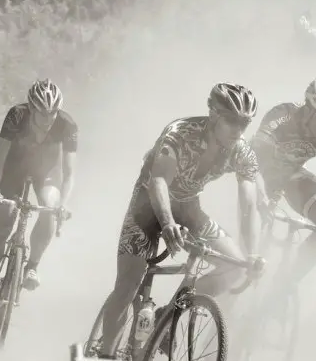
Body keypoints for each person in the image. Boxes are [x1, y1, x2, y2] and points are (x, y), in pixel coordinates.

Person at [97, 82, 263, 359]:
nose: (239, 129)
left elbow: (249, 203)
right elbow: (159, 180)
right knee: (128, 285)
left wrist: (254, 253)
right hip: (148, 205)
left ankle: (167, 316)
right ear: (213, 115)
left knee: (235, 267)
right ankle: (106, 353)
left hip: (188, 207)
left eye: (245, 122)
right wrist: (166, 222)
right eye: (232, 120)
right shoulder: (180, 133)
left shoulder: (242, 151)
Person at [0, 78, 77, 317]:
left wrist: (63, 204)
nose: (48, 119)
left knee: (50, 208)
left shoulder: (67, 124)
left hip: (48, 174)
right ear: (31, 109)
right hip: (14, 170)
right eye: (42, 114)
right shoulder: (16, 116)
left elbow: (70, 173)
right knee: (5, 222)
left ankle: (32, 267)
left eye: (53, 113)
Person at [251, 76, 316, 292]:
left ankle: (285, 284)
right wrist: (262, 198)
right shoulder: (281, 116)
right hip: (256, 174)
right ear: (309, 110)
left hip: (291, 176)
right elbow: (252, 162)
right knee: (250, 252)